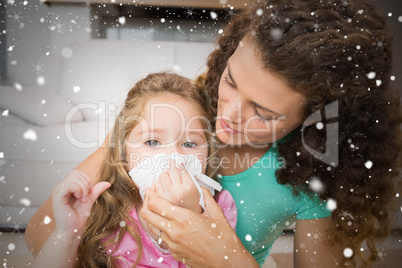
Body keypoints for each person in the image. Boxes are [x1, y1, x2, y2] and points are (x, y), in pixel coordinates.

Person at [26, 0, 401, 267]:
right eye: (232, 80)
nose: (229, 115)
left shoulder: (317, 178)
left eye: (263, 112)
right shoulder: (175, 110)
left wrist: (223, 256)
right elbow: (39, 235)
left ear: (315, 120)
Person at [31, 72, 237, 267]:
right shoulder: (105, 207)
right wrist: (67, 233)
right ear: (124, 154)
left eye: (190, 144)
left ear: (208, 153)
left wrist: (194, 215)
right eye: (153, 142)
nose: (173, 158)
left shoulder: (219, 209)